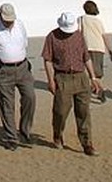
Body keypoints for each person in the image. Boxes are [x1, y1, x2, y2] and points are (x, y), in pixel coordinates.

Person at [42, 11, 102, 155]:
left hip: (81, 76)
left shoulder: (79, 35)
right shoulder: (52, 36)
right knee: (60, 111)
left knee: (83, 112)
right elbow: (47, 60)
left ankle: (87, 143)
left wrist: (93, 78)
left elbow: (86, 57)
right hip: (63, 77)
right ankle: (58, 134)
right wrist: (50, 80)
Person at [0, 3, 35, 149]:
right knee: (6, 104)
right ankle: (12, 137)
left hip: (22, 67)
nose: (9, 22)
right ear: (0, 16)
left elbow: (24, 43)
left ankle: (25, 130)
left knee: (30, 97)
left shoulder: (19, 25)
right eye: (6, 19)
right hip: (3, 69)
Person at [79, 0, 112, 103]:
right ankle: (96, 88)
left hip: (87, 46)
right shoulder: (98, 21)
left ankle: (100, 90)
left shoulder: (81, 19)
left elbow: (79, 32)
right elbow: (104, 36)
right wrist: (110, 50)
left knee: (90, 71)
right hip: (99, 47)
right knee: (97, 72)